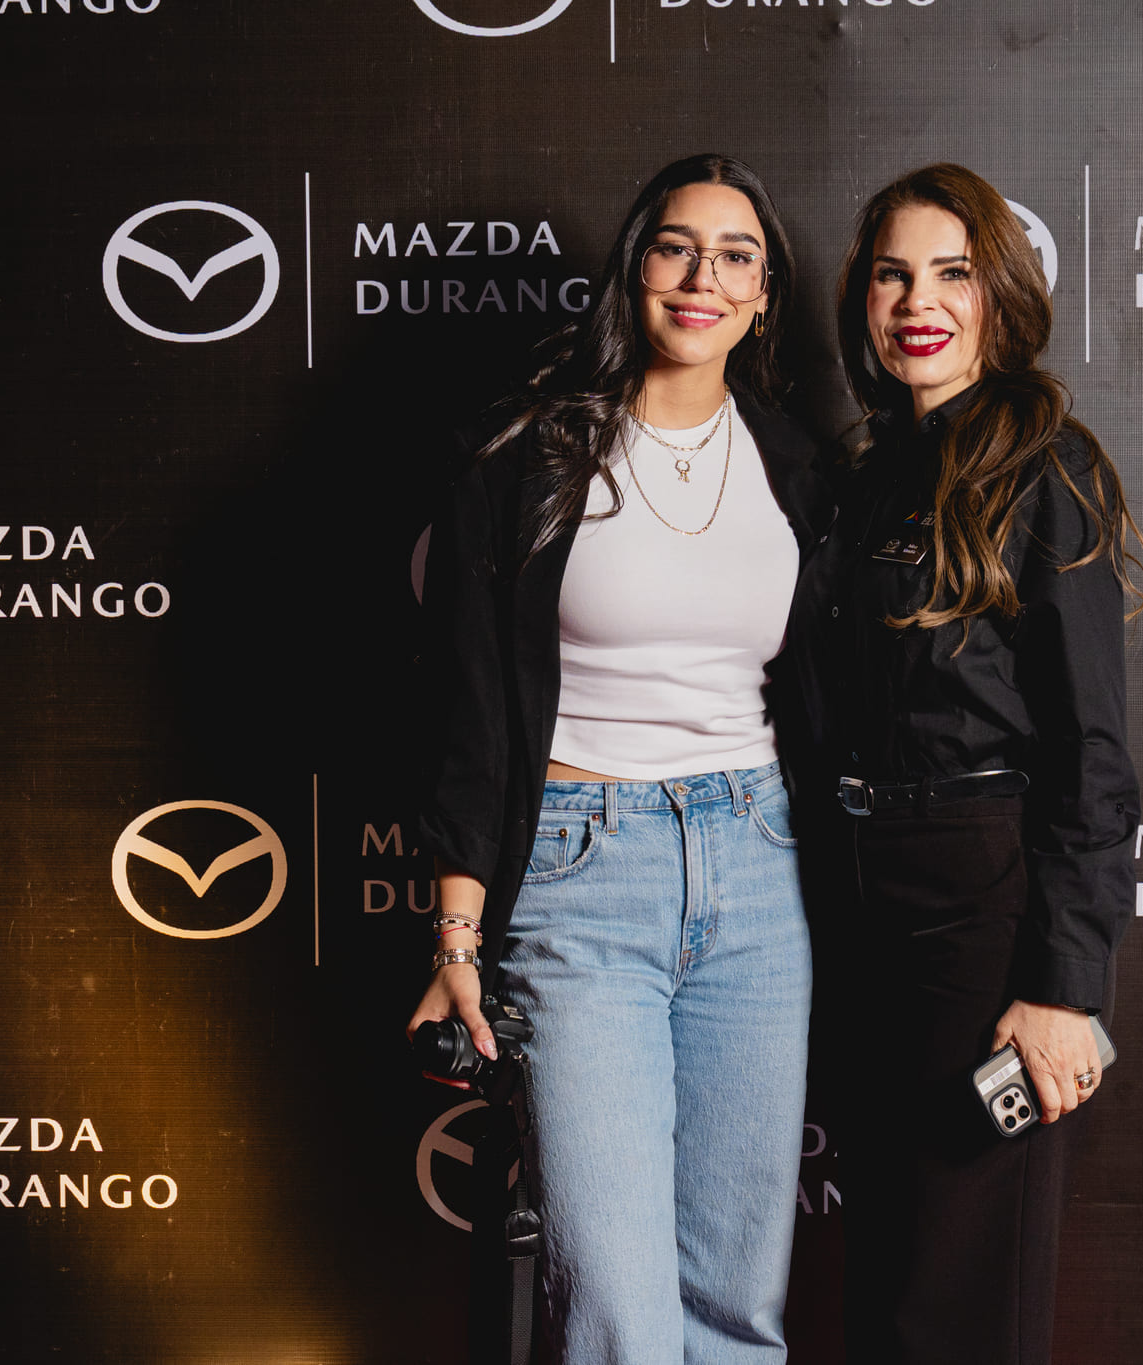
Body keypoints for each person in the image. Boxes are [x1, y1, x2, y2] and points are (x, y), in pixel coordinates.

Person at [407, 153, 830, 1365]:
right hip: (579, 871)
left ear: (763, 296)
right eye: (675, 248)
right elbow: (472, 717)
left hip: (759, 868)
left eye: (736, 257)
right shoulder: (523, 456)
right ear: (634, 269)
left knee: (735, 1304)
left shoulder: (798, 466)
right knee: (613, 1309)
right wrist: (454, 942)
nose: (703, 278)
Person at [809, 163, 1143, 1364]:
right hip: (853, 901)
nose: (918, 302)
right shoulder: (856, 478)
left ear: (999, 296)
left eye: (951, 273)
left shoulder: (1048, 467)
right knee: (885, 1278)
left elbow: (1089, 746)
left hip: (977, 905)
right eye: (892, 274)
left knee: (954, 1292)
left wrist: (1063, 985)